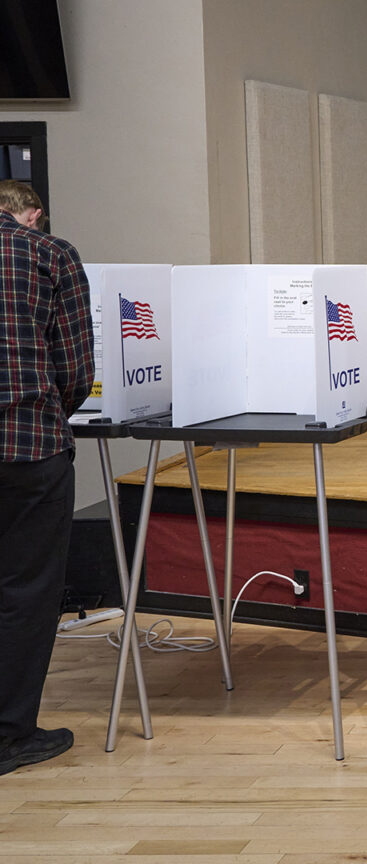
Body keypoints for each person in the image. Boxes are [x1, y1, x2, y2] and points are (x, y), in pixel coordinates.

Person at [0, 179, 92, 775]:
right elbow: (76, 367)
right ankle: (10, 737)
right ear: (31, 215)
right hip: (28, 445)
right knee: (26, 594)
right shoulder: (48, 253)